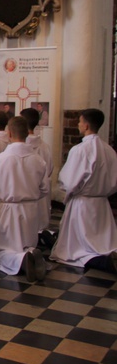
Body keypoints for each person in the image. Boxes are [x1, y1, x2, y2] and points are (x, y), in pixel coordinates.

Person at [50, 109, 117, 273]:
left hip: (82, 203)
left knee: (76, 248)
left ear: (86, 125)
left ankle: (99, 261)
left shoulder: (80, 150)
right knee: (101, 240)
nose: (78, 124)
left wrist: (66, 188)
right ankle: (105, 255)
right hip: (101, 203)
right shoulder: (109, 150)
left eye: (79, 121)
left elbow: (69, 180)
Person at [0, 116, 49, 282]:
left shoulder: (0, 159)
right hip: (31, 208)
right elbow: (45, 189)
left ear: (9, 133)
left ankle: (20, 260)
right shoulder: (38, 160)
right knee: (27, 242)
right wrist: (30, 198)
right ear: (26, 134)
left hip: (8, 208)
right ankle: (30, 254)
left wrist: (2, 199)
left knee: (2, 251)